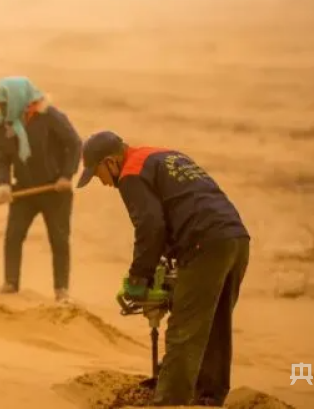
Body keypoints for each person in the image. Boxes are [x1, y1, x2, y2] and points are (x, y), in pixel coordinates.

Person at [76, 131, 250, 406]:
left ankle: (170, 401)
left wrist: (138, 277)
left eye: (98, 175)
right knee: (216, 325)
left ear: (110, 162)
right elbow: (180, 209)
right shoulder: (162, 156)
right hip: (236, 239)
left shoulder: (131, 173)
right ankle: (208, 397)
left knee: (184, 331)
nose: (103, 183)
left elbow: (150, 227)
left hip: (203, 242)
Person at [0, 76, 82, 303]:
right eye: (0, 104)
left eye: (5, 104)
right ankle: (11, 283)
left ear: (18, 99)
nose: (1, 108)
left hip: (55, 190)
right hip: (24, 190)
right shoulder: (3, 124)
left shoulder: (50, 117)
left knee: (59, 240)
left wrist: (66, 175)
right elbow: (2, 158)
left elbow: (74, 144)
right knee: (13, 235)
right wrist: (3, 184)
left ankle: (61, 290)